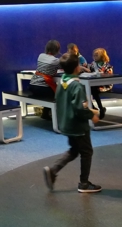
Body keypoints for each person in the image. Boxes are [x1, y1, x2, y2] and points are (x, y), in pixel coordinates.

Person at [42, 52, 101, 193]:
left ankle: (53, 170)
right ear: (77, 68)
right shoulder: (77, 86)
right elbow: (80, 108)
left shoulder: (62, 81)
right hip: (79, 126)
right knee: (87, 152)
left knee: (74, 150)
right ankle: (84, 183)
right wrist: (91, 115)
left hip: (67, 124)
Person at [29, 40, 61, 119]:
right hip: (42, 88)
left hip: (32, 85)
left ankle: (45, 113)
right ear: (57, 50)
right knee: (59, 93)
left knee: (51, 91)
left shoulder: (41, 56)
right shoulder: (55, 61)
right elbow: (66, 66)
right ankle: (58, 115)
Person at [88, 48, 113, 120]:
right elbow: (90, 72)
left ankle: (100, 108)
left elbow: (109, 76)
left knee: (93, 89)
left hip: (105, 85)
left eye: (96, 55)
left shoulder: (107, 66)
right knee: (86, 88)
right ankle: (93, 107)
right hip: (95, 84)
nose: (94, 57)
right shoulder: (92, 64)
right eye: (94, 55)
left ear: (102, 56)